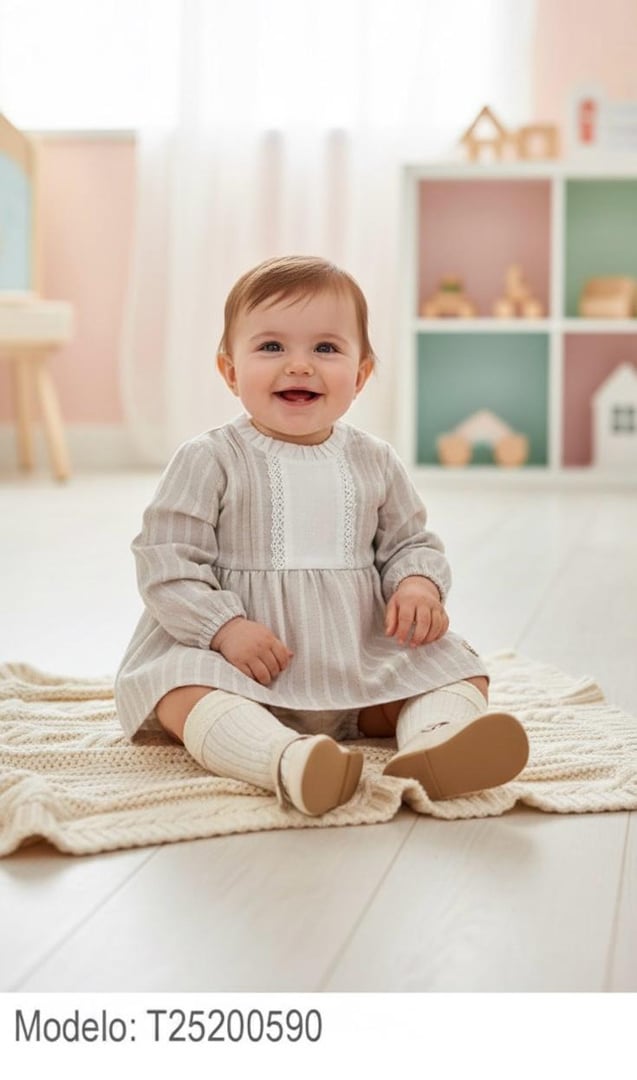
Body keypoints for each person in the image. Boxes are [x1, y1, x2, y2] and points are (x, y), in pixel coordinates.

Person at [115, 255, 529, 816]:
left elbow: (410, 543)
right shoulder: (209, 458)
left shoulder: (374, 460)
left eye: (326, 348)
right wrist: (223, 628)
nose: (299, 365)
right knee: (180, 688)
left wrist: (416, 586)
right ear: (230, 371)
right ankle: (285, 759)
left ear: (360, 375)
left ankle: (436, 743)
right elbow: (167, 561)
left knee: (457, 667)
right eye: (271, 347)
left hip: (357, 662)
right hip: (239, 667)